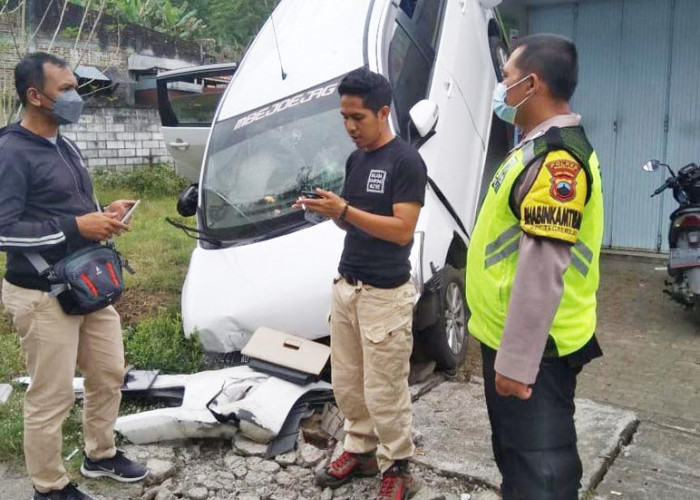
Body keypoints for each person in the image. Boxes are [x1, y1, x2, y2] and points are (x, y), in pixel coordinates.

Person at [0, 52, 148, 500]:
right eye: (65, 89)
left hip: (86, 286)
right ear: (35, 96)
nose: (75, 96)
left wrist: (102, 215)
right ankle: (49, 487)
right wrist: (75, 227)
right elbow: (4, 230)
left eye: (74, 86)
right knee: (51, 395)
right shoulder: (10, 152)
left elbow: (69, 210)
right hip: (42, 293)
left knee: (109, 372)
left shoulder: (65, 144)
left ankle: (99, 454)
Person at [466, 34, 605, 500]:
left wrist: (517, 364)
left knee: (542, 475)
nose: (500, 86)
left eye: (506, 77)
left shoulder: (558, 159)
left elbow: (543, 267)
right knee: (518, 462)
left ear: (532, 83)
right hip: (509, 338)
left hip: (535, 352)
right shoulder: (534, 144)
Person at [296, 68, 427, 500]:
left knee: (385, 389)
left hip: (384, 295)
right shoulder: (356, 159)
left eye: (358, 118)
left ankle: (398, 467)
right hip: (347, 286)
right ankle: (359, 448)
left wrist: (346, 210)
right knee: (348, 384)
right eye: (344, 118)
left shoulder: (406, 161)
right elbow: (353, 224)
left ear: (383, 112)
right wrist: (330, 212)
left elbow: (402, 229)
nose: (350, 127)